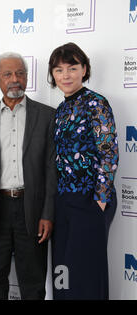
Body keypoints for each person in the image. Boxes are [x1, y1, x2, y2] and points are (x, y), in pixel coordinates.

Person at [0, 52, 57, 300]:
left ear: (27, 78)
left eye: (20, 73)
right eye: (8, 74)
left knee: (33, 282)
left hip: (32, 209)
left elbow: (52, 170)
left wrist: (48, 214)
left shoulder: (47, 116)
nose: (14, 79)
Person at [48, 42, 118, 300]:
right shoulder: (60, 110)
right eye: (59, 70)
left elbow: (108, 152)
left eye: (72, 68)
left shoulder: (96, 103)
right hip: (63, 200)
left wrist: (99, 199)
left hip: (90, 199)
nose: (65, 75)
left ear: (84, 70)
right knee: (62, 272)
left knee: (87, 273)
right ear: (53, 75)